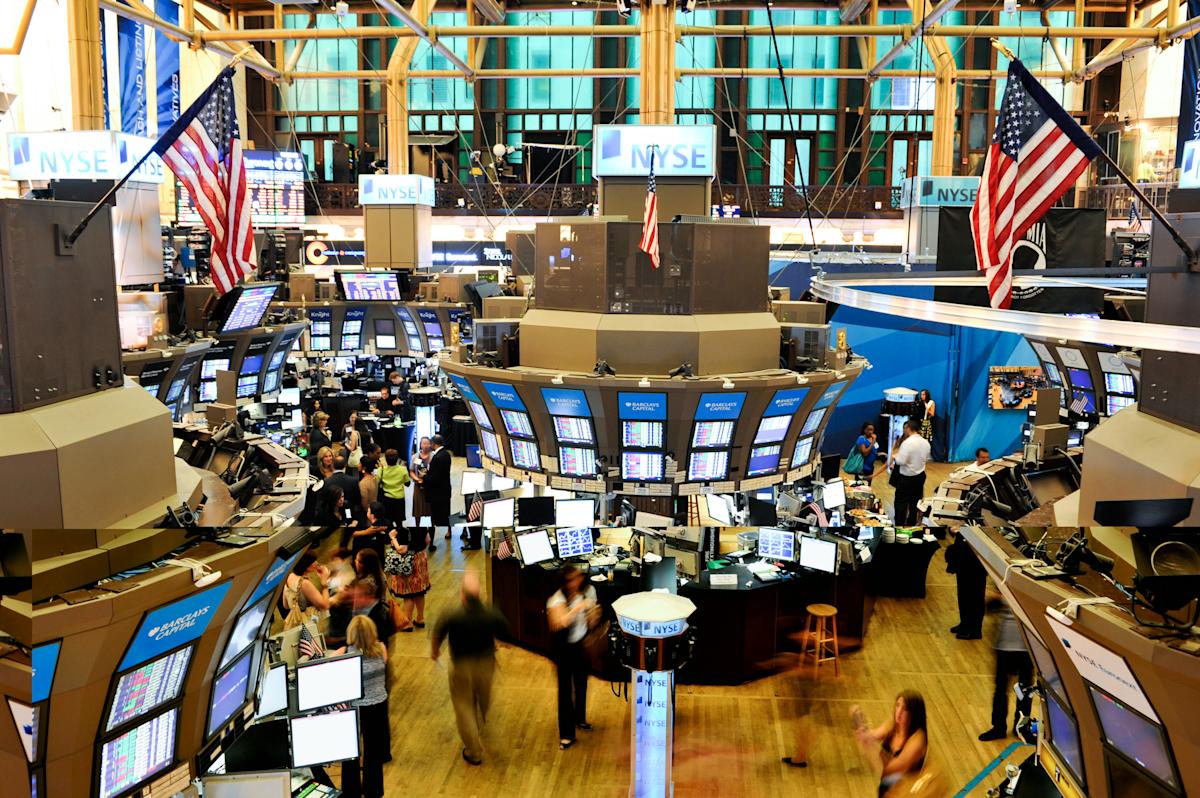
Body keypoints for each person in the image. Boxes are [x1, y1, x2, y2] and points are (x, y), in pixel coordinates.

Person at [431, 570, 511, 765]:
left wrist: (435, 652)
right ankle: (483, 721)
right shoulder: (491, 613)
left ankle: (474, 751)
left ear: (462, 594)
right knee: (484, 696)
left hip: (461, 667)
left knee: (463, 706)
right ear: (479, 594)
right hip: (485, 664)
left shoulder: (452, 614)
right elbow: (506, 634)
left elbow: (437, 635)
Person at [337, 615, 390, 798]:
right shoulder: (382, 649)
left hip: (354, 709)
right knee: (373, 753)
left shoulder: (344, 653)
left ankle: (351, 792)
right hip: (378, 705)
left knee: (350, 752)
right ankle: (373, 791)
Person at [547, 564, 599, 750]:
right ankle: (567, 735)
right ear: (566, 583)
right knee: (565, 691)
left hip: (579, 645)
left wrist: (593, 615)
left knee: (582, 683)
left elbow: (591, 620)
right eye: (574, 578)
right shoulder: (556, 600)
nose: (579, 580)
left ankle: (580, 719)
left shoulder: (586, 593)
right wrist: (579, 608)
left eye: (579, 577)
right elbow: (560, 622)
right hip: (563, 650)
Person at [852, 691, 929, 798]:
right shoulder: (893, 725)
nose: (899, 712)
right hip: (888, 790)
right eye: (897, 705)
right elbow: (874, 735)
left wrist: (870, 744)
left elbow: (891, 768)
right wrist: (863, 730)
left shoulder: (918, 740)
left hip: (905, 794)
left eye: (905, 709)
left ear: (914, 713)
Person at [979, 596, 1033, 740]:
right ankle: (999, 727)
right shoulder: (1006, 584)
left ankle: (1021, 728)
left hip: (1027, 648)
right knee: (1001, 690)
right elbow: (990, 608)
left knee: (1025, 691)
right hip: (1004, 647)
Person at [388, 523, 431, 628]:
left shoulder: (402, 528)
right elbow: (428, 540)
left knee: (408, 594)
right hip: (420, 558)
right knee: (419, 591)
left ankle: (407, 623)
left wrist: (393, 538)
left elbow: (402, 549)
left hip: (407, 561)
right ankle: (420, 619)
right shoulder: (421, 525)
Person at [946, 530, 987, 640]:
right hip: (963, 557)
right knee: (963, 594)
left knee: (975, 596)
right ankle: (964, 623)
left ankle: (975, 630)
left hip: (976, 562)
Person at [892, 419, 931, 526]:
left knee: (901, 503)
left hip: (906, 478)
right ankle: (911, 524)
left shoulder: (907, 443)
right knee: (915, 503)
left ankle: (899, 525)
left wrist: (895, 457)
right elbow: (926, 459)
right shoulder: (926, 442)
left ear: (908, 428)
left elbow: (901, 461)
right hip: (920, 476)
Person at [281, 552, 330, 630]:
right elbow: (325, 605)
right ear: (305, 565)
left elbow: (286, 605)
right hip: (308, 623)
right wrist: (324, 583)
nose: (316, 563)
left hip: (295, 623)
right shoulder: (305, 583)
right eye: (313, 562)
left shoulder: (289, 577)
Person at [351, 574, 396, 647]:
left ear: (368, 596)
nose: (355, 600)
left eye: (359, 595)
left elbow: (382, 645)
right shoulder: (362, 610)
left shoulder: (378, 616)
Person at [425, 434, 453, 542]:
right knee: (447, 513)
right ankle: (449, 530)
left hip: (437, 492)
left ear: (433, 444)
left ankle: (432, 537)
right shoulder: (446, 454)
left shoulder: (437, 457)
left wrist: (425, 477)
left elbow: (434, 477)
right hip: (445, 489)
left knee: (437, 516)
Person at [409, 437, 433, 535]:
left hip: (430, 487)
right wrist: (417, 479)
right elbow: (411, 471)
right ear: (420, 444)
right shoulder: (415, 457)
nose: (426, 446)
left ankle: (432, 529)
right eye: (424, 443)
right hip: (418, 486)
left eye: (427, 443)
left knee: (431, 509)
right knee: (417, 509)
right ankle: (417, 528)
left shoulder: (433, 456)